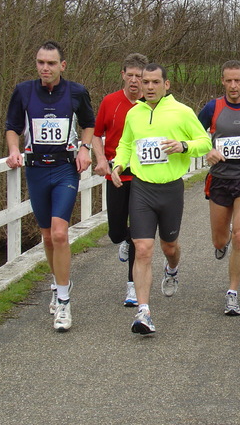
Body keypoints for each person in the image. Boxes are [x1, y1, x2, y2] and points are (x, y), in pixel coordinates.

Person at [111, 63, 211, 335]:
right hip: (142, 188)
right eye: (146, 82)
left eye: (156, 82)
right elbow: (126, 144)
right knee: (142, 248)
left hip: (170, 189)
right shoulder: (134, 113)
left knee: (169, 246)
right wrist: (119, 164)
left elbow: (205, 141)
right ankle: (143, 312)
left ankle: (173, 268)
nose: (150, 87)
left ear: (166, 85)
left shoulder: (182, 112)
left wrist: (184, 146)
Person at [5, 40, 95, 331]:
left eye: (51, 63)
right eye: (41, 62)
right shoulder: (24, 91)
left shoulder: (77, 92)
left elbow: (89, 124)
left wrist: (84, 148)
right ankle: (57, 284)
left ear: (62, 66)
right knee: (46, 236)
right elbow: (12, 126)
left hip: (64, 170)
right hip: (35, 170)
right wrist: (13, 149)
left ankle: (65, 302)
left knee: (59, 233)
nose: (45, 68)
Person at [197, 60, 240, 316]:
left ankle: (232, 293)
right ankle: (220, 244)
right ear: (222, 81)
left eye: (238, 80)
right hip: (220, 179)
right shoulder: (213, 107)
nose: (233, 85)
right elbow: (195, 132)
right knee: (220, 238)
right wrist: (208, 149)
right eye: (229, 80)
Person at [92, 53, 148, 307]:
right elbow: (96, 135)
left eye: (140, 76)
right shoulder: (110, 102)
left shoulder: (151, 104)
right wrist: (101, 159)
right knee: (116, 231)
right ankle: (122, 240)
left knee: (139, 233)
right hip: (115, 174)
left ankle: (132, 287)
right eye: (131, 75)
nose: (135, 81)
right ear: (123, 75)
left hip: (142, 175)